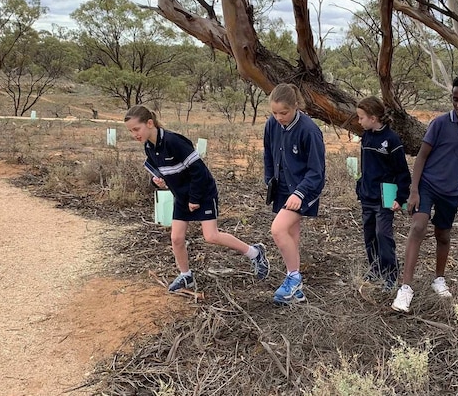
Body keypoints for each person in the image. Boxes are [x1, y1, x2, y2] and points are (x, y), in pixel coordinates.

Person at [124, 105, 269, 292]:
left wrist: (195, 198)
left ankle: (255, 253)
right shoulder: (149, 147)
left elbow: (199, 171)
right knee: (176, 238)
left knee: (211, 236)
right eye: (130, 131)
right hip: (181, 196)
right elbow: (160, 174)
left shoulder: (174, 141)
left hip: (203, 192)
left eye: (136, 129)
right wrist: (157, 182)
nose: (134, 134)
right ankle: (186, 276)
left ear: (150, 123)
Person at [391, 75, 458, 313]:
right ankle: (405, 288)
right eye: (455, 99)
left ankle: (439, 279)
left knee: (443, 235)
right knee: (418, 227)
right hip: (427, 186)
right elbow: (421, 156)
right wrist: (413, 191)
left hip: (451, 192)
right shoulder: (440, 123)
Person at [263, 84, 326, 305]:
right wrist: (269, 180)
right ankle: (296, 291)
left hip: (304, 190)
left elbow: (317, 172)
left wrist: (300, 193)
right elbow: (268, 154)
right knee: (290, 235)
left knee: (278, 230)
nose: (279, 117)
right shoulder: (272, 124)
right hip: (281, 187)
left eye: (284, 112)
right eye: (275, 112)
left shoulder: (309, 130)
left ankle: (294, 279)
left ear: (296, 107)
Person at [355, 96, 411, 291]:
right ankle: (375, 268)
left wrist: (401, 197)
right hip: (367, 196)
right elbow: (365, 166)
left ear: (373, 118)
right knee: (369, 234)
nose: (359, 121)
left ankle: (390, 274)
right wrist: (360, 186)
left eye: (361, 118)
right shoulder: (366, 137)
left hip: (384, 199)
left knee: (383, 234)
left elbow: (402, 172)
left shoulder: (391, 140)